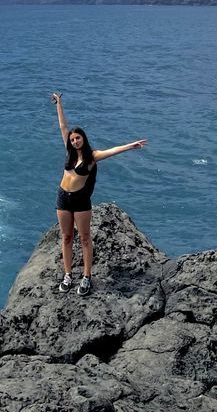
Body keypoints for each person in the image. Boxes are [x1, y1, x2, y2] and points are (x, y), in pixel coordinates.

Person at [50, 91, 147, 296]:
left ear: (84, 139)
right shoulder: (68, 152)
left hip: (80, 200)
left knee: (85, 238)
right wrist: (59, 103)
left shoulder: (92, 157)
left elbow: (113, 151)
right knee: (66, 237)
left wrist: (131, 146)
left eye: (78, 138)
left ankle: (86, 277)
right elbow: (63, 126)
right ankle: (67, 275)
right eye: (73, 139)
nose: (75, 141)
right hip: (62, 197)